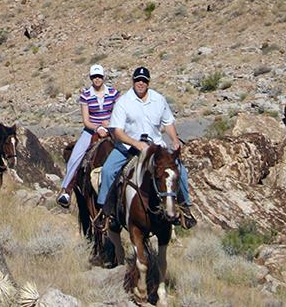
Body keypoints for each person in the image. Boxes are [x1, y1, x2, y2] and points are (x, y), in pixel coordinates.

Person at [93, 66, 195, 230]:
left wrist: (175, 140)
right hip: (128, 147)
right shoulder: (123, 102)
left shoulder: (158, 99)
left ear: (148, 82)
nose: (141, 83)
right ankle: (105, 211)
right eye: (138, 80)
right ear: (133, 81)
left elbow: (168, 122)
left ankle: (184, 209)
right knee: (108, 170)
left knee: (180, 170)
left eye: (144, 81)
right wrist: (135, 143)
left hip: (156, 148)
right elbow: (117, 131)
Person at [57, 64, 119, 208]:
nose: (97, 79)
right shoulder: (86, 94)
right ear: (91, 78)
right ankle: (66, 190)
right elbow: (86, 120)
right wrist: (98, 128)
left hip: (111, 128)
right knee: (75, 156)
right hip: (92, 130)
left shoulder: (113, 92)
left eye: (99, 76)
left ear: (103, 77)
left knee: (127, 148)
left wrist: (110, 124)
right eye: (94, 77)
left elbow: (119, 112)